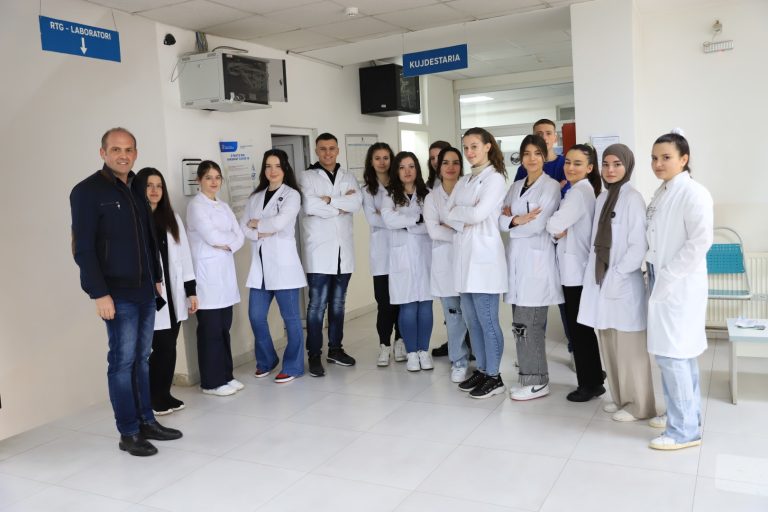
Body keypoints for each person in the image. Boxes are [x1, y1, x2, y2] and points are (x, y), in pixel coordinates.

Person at [70, 127, 182, 457]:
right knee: (122, 362)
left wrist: (156, 277)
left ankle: (147, 421)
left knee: (142, 360)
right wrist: (98, 293)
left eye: (129, 149)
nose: (123, 155)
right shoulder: (87, 191)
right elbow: (83, 248)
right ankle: (129, 432)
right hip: (116, 293)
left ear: (135, 153)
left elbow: (148, 238)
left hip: (145, 290)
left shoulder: (135, 189)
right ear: (103, 152)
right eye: (116, 149)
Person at [578, 143, 656, 422]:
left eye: (617, 164)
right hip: (602, 280)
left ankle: (639, 406)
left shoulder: (632, 198)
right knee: (609, 344)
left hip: (622, 282)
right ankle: (621, 398)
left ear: (627, 166)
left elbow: (638, 245)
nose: (610, 170)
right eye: (606, 164)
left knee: (629, 349)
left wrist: (618, 273)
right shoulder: (603, 197)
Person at [645, 132, 712, 450]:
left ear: (684, 159)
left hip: (678, 283)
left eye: (666, 157)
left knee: (674, 356)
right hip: (663, 278)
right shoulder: (664, 191)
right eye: (654, 158)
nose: (658, 163)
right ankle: (684, 415)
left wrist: (668, 275)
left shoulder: (694, 193)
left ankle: (684, 431)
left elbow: (700, 242)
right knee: (677, 355)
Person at [500, 134, 563, 401]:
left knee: (530, 325)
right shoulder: (515, 187)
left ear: (544, 156)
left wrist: (513, 221)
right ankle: (527, 377)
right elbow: (499, 221)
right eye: (526, 153)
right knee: (519, 325)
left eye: (537, 153)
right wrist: (518, 220)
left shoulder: (551, 187)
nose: (532, 158)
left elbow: (539, 225)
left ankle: (538, 380)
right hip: (517, 264)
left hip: (536, 265)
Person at [447, 127, 508, 399]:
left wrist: (461, 213)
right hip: (465, 259)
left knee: (487, 321)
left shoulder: (495, 179)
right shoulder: (465, 180)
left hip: (484, 259)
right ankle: (482, 370)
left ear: (487, 147)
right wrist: (465, 213)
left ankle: (495, 377)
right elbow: (448, 213)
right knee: (472, 321)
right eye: (466, 147)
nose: (470, 152)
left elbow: (478, 214)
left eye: (474, 146)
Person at [133, 167, 198, 415]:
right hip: (151, 295)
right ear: (140, 188)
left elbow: (185, 256)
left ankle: (164, 394)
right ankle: (150, 397)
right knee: (158, 348)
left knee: (169, 348)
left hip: (174, 294)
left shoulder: (171, 218)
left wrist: (191, 291)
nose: (154, 190)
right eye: (149, 185)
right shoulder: (136, 219)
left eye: (159, 186)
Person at [241, 149, 306, 383]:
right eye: (268, 166)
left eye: (277, 165)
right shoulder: (255, 197)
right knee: (256, 316)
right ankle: (267, 360)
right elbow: (243, 227)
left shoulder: (292, 195)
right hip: (260, 268)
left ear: (285, 168)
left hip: (283, 267)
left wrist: (257, 225)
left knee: (291, 319)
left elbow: (279, 223)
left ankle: (294, 366)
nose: (272, 170)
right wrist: (261, 230)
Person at [546, 144, 605, 402]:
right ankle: (594, 378)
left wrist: (557, 228)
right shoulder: (584, 190)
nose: (570, 167)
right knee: (583, 330)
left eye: (578, 163)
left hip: (575, 271)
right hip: (578, 268)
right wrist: (560, 231)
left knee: (579, 331)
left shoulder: (577, 193)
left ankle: (588, 385)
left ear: (590, 168)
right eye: (568, 162)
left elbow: (554, 225)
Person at [300, 133, 362, 377]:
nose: (328, 153)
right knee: (316, 306)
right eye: (323, 149)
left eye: (332, 148)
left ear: (338, 150)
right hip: (318, 252)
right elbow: (309, 206)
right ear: (316, 151)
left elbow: (356, 204)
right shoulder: (306, 177)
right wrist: (340, 205)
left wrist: (328, 201)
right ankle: (314, 355)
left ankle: (335, 349)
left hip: (342, 252)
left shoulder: (348, 176)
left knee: (338, 305)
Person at [514, 119, 573, 368]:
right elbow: (511, 207)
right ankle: (534, 349)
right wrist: (515, 220)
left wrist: (516, 222)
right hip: (532, 246)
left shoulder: (564, 163)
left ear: (555, 137)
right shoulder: (523, 172)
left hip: (561, 239)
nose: (544, 137)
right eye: (539, 133)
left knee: (564, 302)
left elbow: (566, 196)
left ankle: (573, 349)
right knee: (534, 302)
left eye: (548, 133)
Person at [186, 160, 245, 396]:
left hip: (225, 277)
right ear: (199, 180)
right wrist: (227, 241)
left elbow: (239, 236)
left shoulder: (223, 205)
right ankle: (211, 383)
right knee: (209, 331)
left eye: (217, 177)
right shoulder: (195, 206)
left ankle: (226, 376)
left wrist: (227, 242)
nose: (214, 182)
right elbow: (212, 237)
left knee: (223, 329)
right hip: (206, 279)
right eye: (208, 177)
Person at [381, 152, 433, 371]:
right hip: (402, 258)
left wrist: (407, 225)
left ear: (417, 169)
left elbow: (431, 224)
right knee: (408, 306)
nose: (407, 171)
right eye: (402, 167)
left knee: (426, 305)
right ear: (396, 171)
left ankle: (424, 351)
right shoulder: (389, 196)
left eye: (411, 166)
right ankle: (412, 353)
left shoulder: (428, 194)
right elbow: (389, 220)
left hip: (425, 255)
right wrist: (416, 220)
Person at [424, 146, 470, 382]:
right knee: (454, 317)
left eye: (455, 162)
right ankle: (458, 361)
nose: (451, 167)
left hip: (470, 261)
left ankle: (480, 360)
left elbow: (476, 222)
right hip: (445, 263)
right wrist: (461, 229)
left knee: (474, 317)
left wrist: (450, 226)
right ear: (438, 167)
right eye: (445, 162)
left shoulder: (469, 192)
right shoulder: (432, 197)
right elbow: (433, 231)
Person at [361, 143, 405, 366]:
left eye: (386, 157)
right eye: (377, 158)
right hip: (381, 255)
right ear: (371, 161)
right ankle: (384, 345)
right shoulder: (367, 190)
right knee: (384, 303)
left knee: (402, 301)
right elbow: (372, 219)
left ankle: (400, 341)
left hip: (403, 251)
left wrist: (385, 215)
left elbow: (407, 215)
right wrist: (394, 218)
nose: (382, 162)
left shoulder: (402, 185)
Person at [426, 140, 452, 358]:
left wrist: (447, 224)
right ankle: (454, 342)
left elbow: (463, 222)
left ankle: (468, 345)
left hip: (461, 252)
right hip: (440, 251)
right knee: (448, 306)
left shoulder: (462, 185)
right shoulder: (428, 186)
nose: (436, 161)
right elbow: (433, 228)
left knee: (464, 305)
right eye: (432, 158)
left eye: (440, 157)